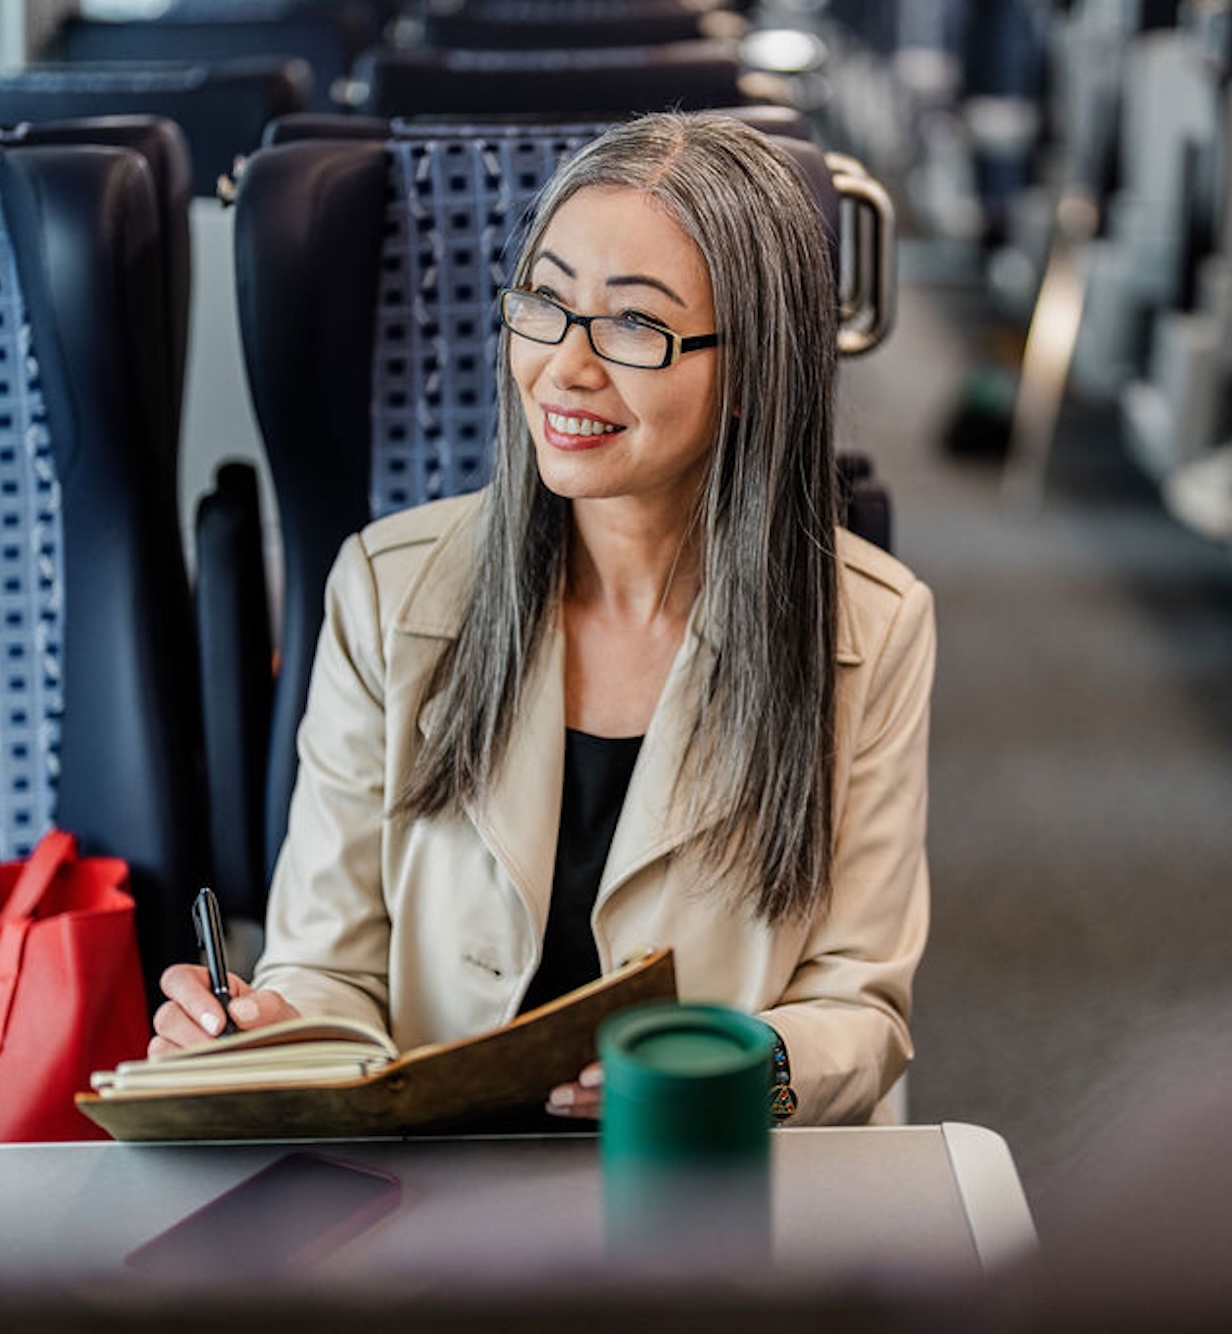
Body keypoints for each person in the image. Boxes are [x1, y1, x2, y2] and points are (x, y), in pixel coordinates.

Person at [150, 112, 936, 1127]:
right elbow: (327, 966)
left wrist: (741, 1066)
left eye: (632, 325)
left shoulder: (869, 627)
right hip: (432, 1196)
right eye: (544, 304)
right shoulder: (387, 591)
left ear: (748, 374)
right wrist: (266, 1026)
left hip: (697, 1180)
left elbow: (856, 1002)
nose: (564, 366)